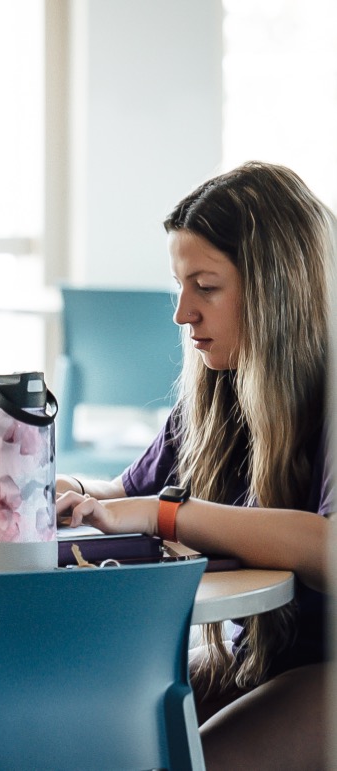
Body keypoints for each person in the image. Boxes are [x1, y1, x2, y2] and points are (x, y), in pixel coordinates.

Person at [56, 161, 334, 770]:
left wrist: (166, 516)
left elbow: (329, 548)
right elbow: (127, 494)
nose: (183, 314)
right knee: (102, 733)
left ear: (277, 291)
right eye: (180, 286)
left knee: (188, 760)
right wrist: (69, 488)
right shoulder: (219, 393)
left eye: (205, 287)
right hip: (268, 657)